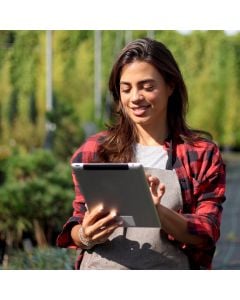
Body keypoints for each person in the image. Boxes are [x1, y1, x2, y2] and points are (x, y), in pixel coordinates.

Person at [57, 37, 226, 270]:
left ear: (171, 86)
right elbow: (77, 222)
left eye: (147, 87)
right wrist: (86, 234)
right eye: (126, 88)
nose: (135, 97)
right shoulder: (95, 150)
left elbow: (206, 232)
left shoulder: (201, 154)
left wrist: (156, 211)